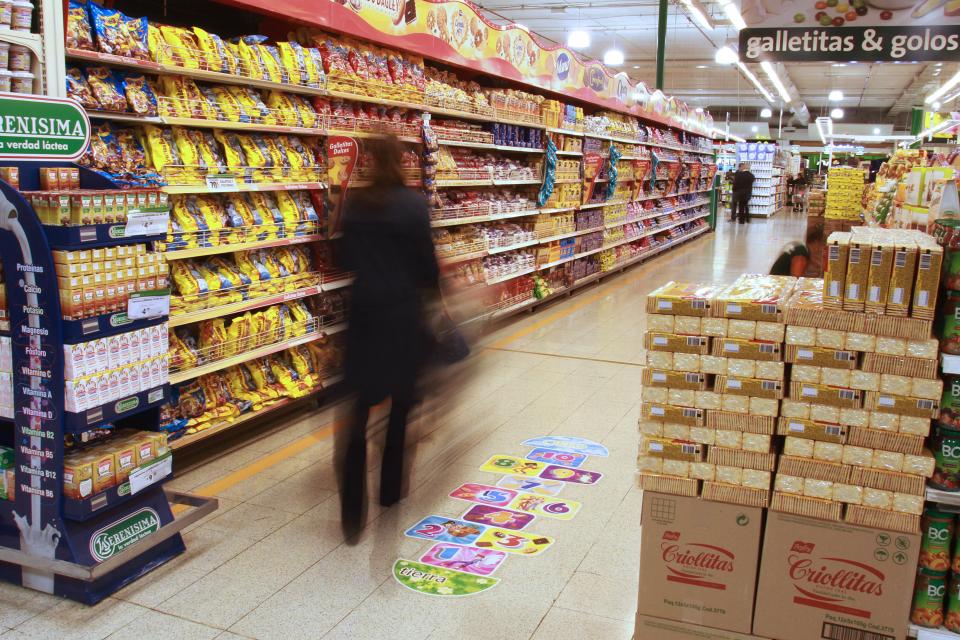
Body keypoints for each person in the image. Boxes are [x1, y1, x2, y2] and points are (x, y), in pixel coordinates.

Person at [339, 135, 440, 538]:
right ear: (401, 161)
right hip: (402, 315)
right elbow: (427, 269)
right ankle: (390, 492)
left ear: (367, 163)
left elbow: (345, 259)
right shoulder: (414, 205)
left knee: (358, 413)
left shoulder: (356, 205)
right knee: (399, 408)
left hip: (364, 314)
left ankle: (351, 509)